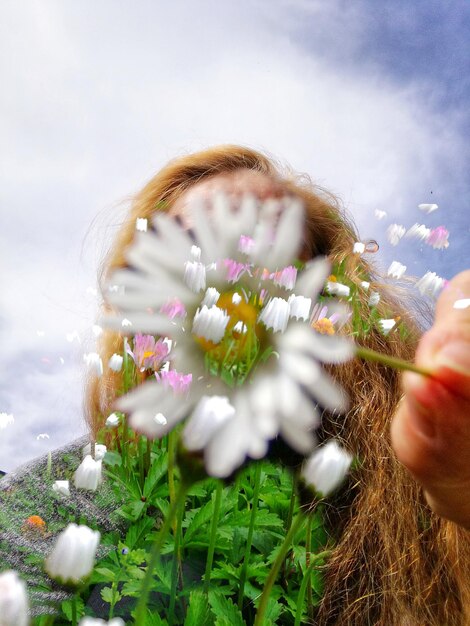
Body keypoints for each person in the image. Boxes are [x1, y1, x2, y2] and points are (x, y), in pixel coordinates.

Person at [87, 145, 470, 625]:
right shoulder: (77, 500)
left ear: (329, 292)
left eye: (262, 239)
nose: (224, 270)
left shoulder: (417, 490)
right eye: (186, 244)